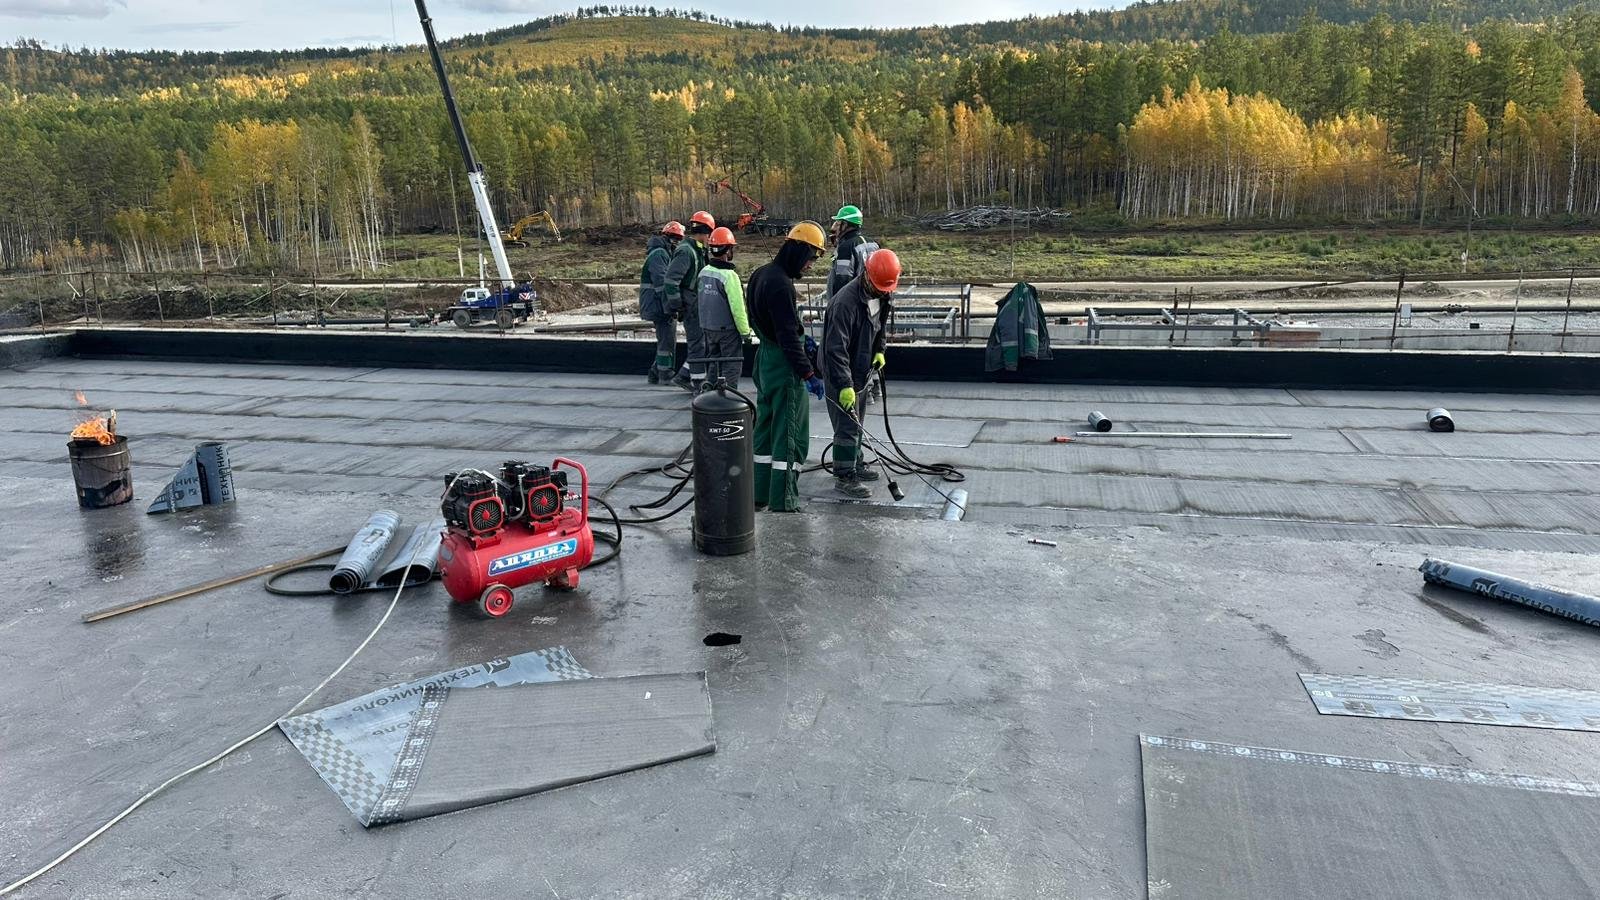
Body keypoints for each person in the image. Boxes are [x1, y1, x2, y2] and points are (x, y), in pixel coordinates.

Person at [749, 221, 828, 513]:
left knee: (766, 430)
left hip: (765, 362)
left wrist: (802, 337)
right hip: (784, 369)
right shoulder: (781, 284)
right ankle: (784, 499)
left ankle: (759, 493)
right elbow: (785, 336)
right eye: (812, 257)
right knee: (790, 434)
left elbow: (773, 325)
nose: (811, 265)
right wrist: (808, 373)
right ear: (800, 250)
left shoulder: (761, 275)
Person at [821, 248, 900, 499]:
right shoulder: (844, 304)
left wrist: (880, 349)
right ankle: (845, 477)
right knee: (846, 427)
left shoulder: (883, 293)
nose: (882, 291)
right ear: (866, 274)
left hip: (862, 369)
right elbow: (835, 348)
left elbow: (880, 326)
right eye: (878, 287)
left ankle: (856, 462)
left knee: (858, 423)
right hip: (839, 372)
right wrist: (844, 384)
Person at [665, 210, 716, 391]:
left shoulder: (697, 250)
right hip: (690, 304)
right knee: (698, 344)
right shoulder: (686, 251)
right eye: (710, 234)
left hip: (695, 303)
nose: (711, 238)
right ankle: (697, 383)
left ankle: (683, 376)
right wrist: (678, 306)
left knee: (702, 344)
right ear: (705, 232)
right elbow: (671, 282)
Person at [696, 227, 749, 388]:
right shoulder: (729, 276)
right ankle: (729, 397)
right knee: (731, 365)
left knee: (714, 362)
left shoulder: (704, 272)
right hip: (728, 331)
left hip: (708, 328)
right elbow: (738, 308)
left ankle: (709, 393)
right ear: (727, 251)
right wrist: (745, 332)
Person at [639, 221, 684, 384]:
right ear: (666, 236)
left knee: (665, 338)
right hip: (658, 305)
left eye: (679, 239)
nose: (677, 242)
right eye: (674, 238)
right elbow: (662, 284)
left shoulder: (662, 252)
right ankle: (665, 374)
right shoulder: (660, 254)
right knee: (667, 340)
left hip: (656, 304)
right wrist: (672, 306)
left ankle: (655, 372)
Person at [827, 204, 875, 298]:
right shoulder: (872, 243)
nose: (834, 228)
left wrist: (836, 306)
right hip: (870, 302)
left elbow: (842, 281)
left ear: (845, 225)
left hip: (851, 306)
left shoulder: (846, 248)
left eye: (837, 223)